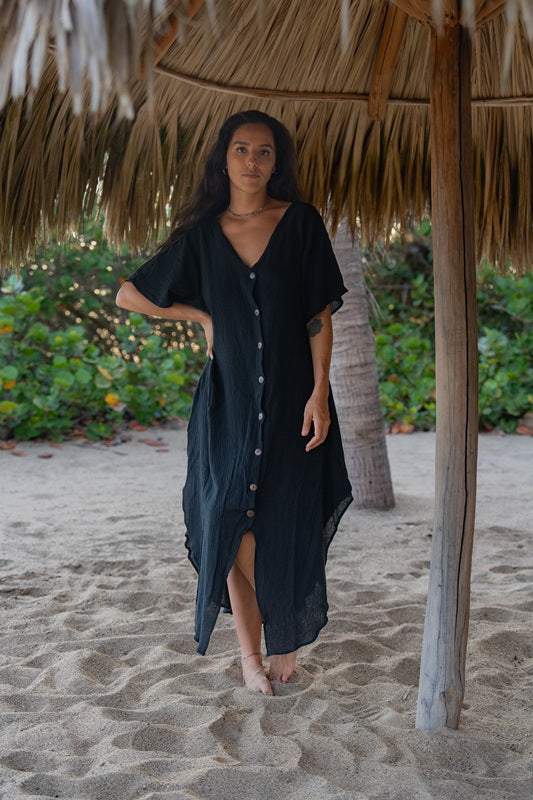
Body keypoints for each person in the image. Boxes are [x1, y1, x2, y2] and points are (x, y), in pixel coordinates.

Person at [116, 109, 353, 695]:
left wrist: (320, 392)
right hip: (227, 406)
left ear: (277, 162)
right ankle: (256, 651)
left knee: (283, 520)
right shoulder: (202, 236)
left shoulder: (300, 223)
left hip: (294, 401)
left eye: (264, 151)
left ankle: (278, 638)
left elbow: (317, 315)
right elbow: (129, 294)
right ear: (223, 159)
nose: (252, 161)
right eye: (242, 149)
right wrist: (200, 315)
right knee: (226, 522)